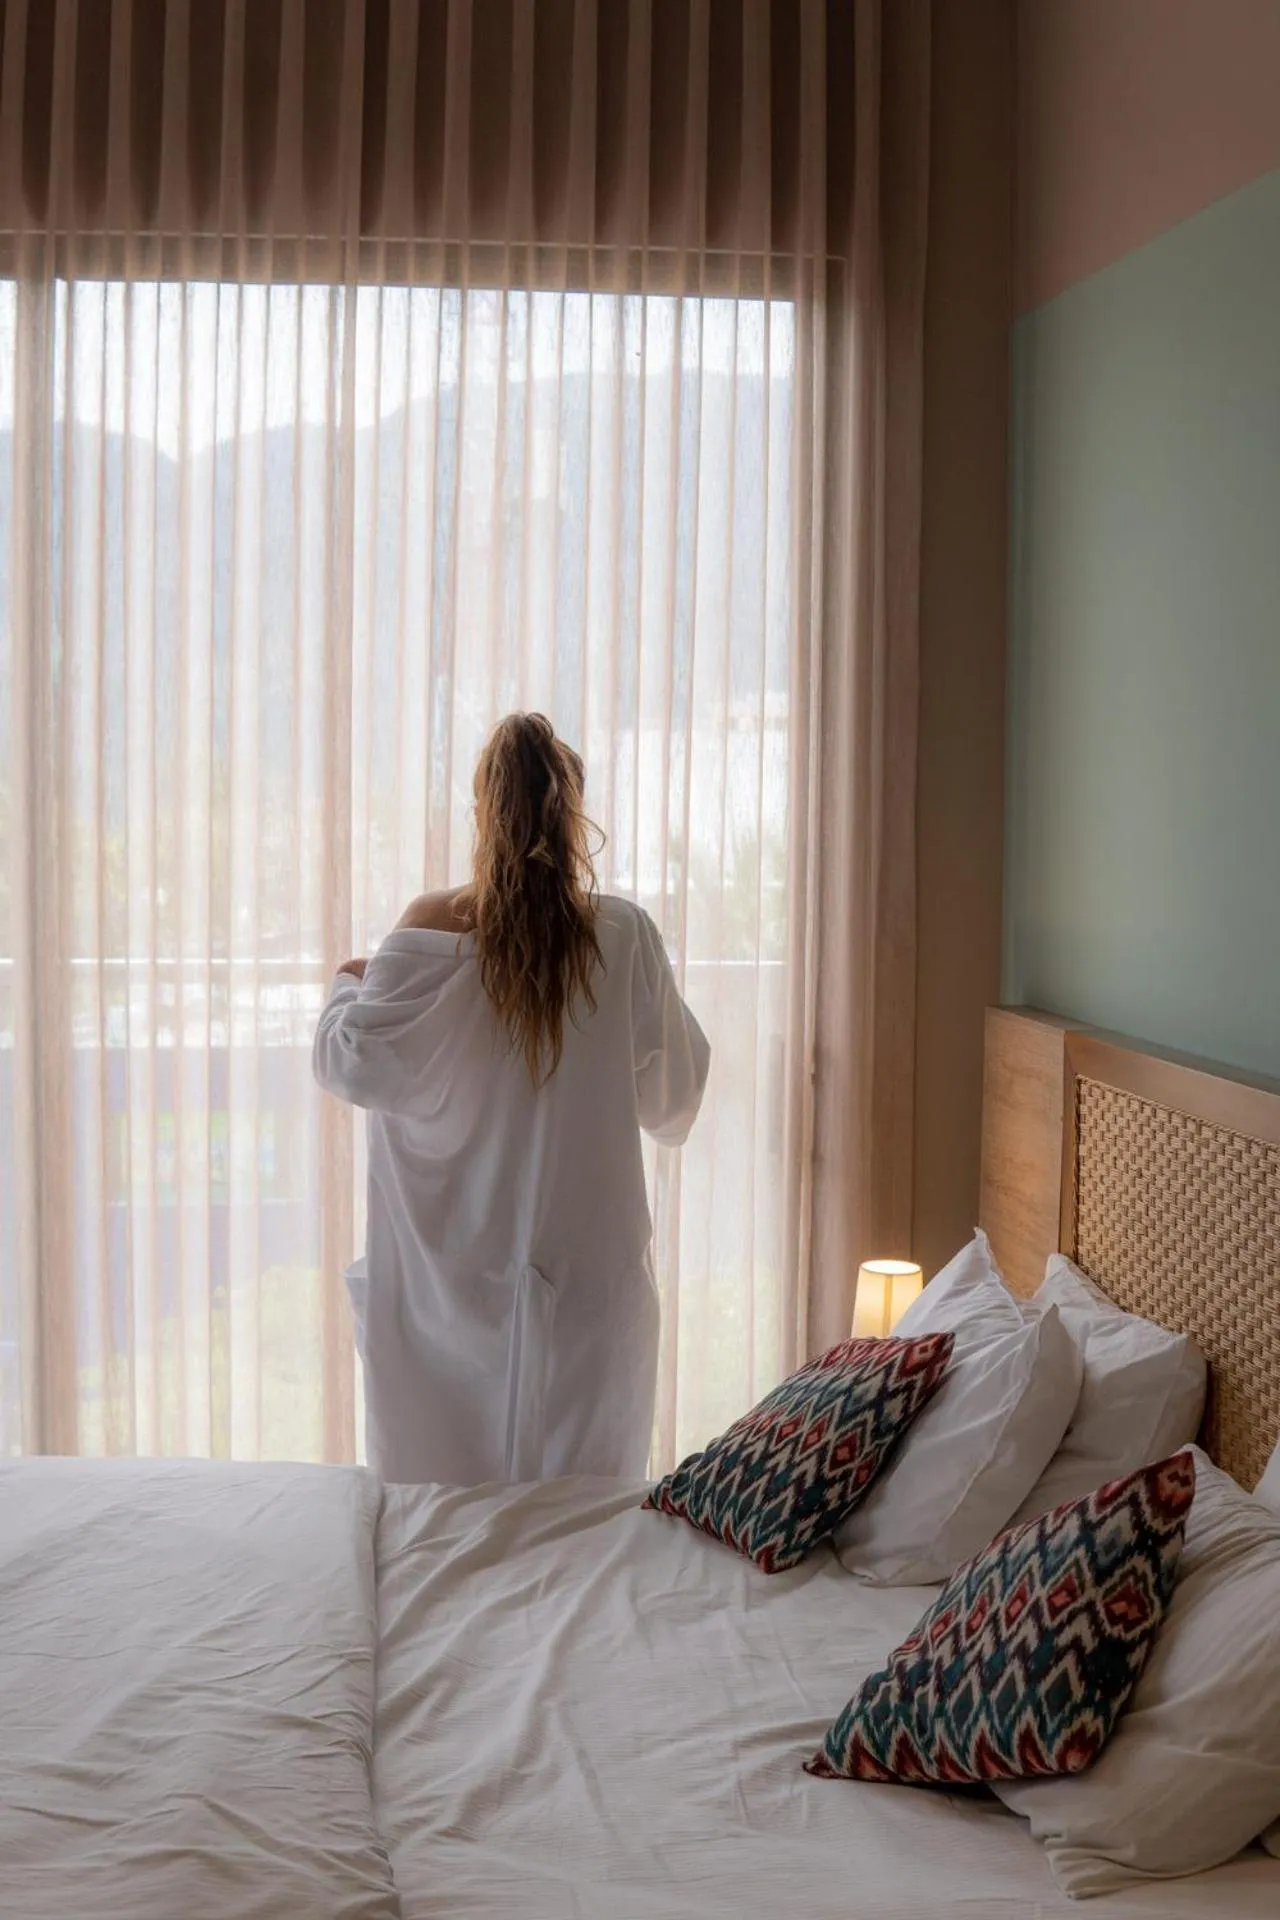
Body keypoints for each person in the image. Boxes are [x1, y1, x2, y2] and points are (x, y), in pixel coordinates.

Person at [313, 712, 710, 1486]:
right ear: (573, 815)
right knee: (582, 1538)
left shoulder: (427, 925)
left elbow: (352, 1064)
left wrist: (347, 982)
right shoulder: (622, 935)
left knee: (437, 1536)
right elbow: (675, 1100)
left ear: (481, 812)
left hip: (448, 1300)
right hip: (588, 1300)